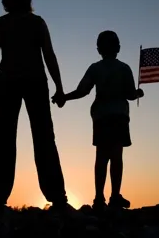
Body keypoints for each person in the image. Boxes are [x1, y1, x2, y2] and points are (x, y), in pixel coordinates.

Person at [0, 0, 70, 214]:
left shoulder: (4, 24)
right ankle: (56, 196)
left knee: (6, 141)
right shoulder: (34, 23)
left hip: (13, 84)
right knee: (41, 139)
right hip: (30, 84)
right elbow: (49, 56)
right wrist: (59, 87)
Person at [52, 30, 144, 211]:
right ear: (118, 47)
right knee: (116, 156)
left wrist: (64, 97)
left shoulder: (95, 68)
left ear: (98, 49)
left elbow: (82, 90)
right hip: (118, 116)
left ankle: (99, 198)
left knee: (101, 156)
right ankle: (114, 196)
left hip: (101, 116)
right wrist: (138, 93)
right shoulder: (124, 68)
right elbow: (130, 94)